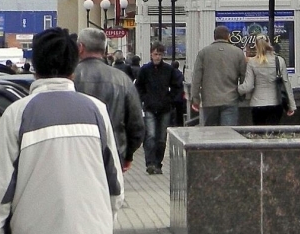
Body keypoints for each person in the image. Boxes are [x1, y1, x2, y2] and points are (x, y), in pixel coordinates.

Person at [0, 29, 122, 234]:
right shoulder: (97, 111)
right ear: (73, 68)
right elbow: (115, 186)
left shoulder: (17, 115)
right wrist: (102, 224)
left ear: (35, 67)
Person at [73, 27, 145, 170]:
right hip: (114, 152)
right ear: (104, 49)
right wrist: (128, 154)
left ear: (80, 47)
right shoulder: (122, 79)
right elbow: (136, 123)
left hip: (77, 154)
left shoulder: (70, 77)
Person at [135, 43, 185, 174]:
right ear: (151, 54)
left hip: (164, 107)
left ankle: (158, 163)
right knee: (151, 135)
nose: (157, 57)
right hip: (150, 106)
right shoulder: (145, 70)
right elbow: (138, 86)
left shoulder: (168, 70)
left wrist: (171, 99)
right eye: (156, 54)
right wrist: (144, 98)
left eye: (160, 54)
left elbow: (177, 86)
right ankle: (150, 162)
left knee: (162, 138)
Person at [192, 25, 248, 125]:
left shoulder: (203, 53)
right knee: (228, 134)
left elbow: (196, 78)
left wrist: (195, 98)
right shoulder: (238, 53)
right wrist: (241, 94)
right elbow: (244, 75)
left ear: (214, 37)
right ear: (228, 36)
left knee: (212, 134)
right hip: (230, 99)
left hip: (210, 100)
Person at [242, 35, 296, 125]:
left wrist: (236, 90)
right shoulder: (279, 60)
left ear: (256, 45)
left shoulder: (252, 62)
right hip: (275, 103)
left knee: (259, 134)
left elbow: (248, 86)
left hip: (257, 103)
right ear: (269, 43)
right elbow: (286, 84)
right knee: (273, 134)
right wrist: (291, 105)